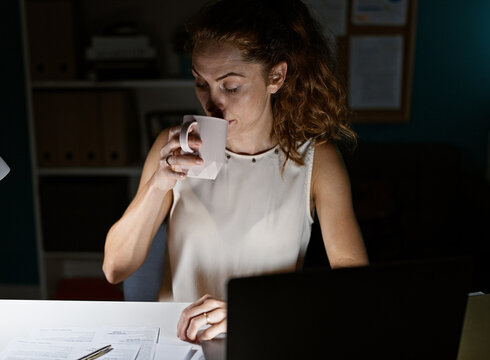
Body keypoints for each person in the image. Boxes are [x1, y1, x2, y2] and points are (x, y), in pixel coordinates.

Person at [103, 0, 369, 344]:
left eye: (231, 87)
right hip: (181, 341)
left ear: (276, 77)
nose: (212, 104)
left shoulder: (317, 160)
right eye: (201, 82)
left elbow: (356, 286)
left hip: (266, 335)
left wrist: (247, 313)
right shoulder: (171, 147)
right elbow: (114, 269)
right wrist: (158, 184)